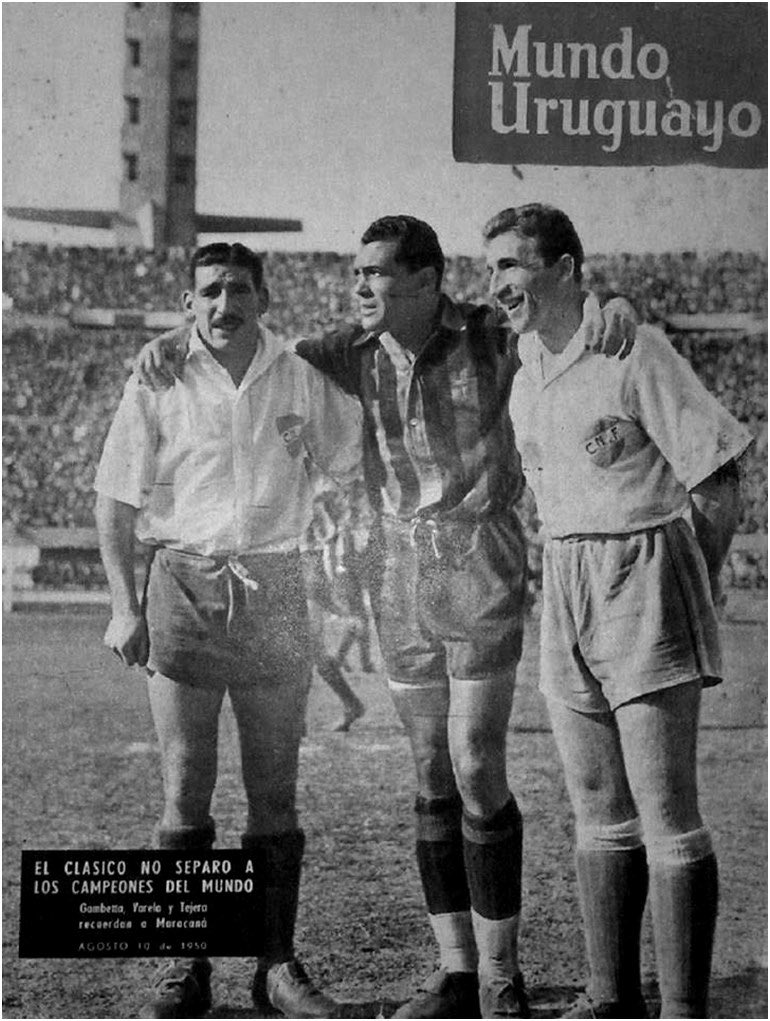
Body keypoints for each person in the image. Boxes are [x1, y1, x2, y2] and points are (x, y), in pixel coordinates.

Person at [135, 216, 636, 1020]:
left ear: (428, 281)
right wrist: (175, 333)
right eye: (356, 276)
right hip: (401, 570)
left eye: (375, 276)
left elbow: (566, 319)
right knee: (430, 770)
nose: (359, 289)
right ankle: (455, 970)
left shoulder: (487, 335)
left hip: (480, 559)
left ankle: (502, 971)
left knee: (475, 760)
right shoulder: (341, 353)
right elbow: (244, 338)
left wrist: (612, 305)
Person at [486, 203, 752, 1019]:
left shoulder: (635, 346)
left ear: (567, 268)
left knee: (666, 810)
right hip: (564, 575)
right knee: (597, 807)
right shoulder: (524, 364)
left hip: (643, 565)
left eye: (514, 266)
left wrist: (686, 584)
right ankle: (611, 995)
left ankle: (682, 1007)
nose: (498, 284)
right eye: (490, 268)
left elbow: (718, 484)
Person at [95, 242, 363, 1020]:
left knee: (274, 792)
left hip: (276, 584)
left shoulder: (302, 374)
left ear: (263, 297)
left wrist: (323, 478)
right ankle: (186, 964)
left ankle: (275, 965)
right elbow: (115, 499)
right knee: (185, 789)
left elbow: (352, 462)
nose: (223, 304)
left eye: (237, 289)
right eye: (208, 292)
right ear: (187, 304)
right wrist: (123, 605)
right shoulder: (158, 379)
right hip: (182, 580)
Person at [302, 488, 370, 733]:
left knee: (313, 657)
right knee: (306, 658)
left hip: (308, 586)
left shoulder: (312, 504)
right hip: (305, 583)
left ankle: (351, 704)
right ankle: (348, 705)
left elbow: (327, 540)